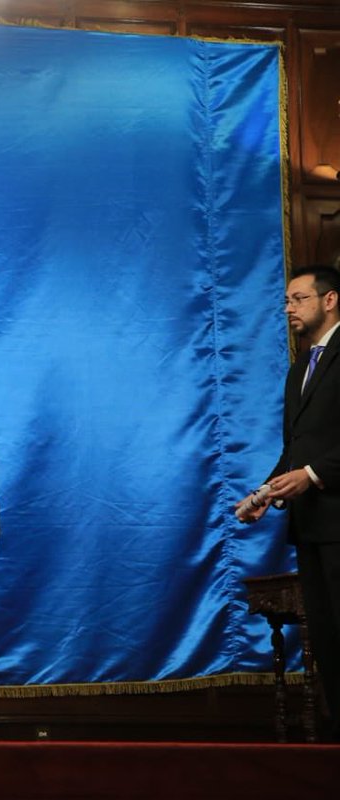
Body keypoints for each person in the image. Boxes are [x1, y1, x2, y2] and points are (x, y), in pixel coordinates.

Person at [236, 264, 340, 741]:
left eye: (299, 299)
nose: (288, 308)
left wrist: (313, 475)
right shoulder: (301, 367)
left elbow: (311, 464)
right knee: (327, 639)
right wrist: (266, 494)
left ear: (330, 300)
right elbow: (295, 450)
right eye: (286, 301)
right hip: (311, 527)